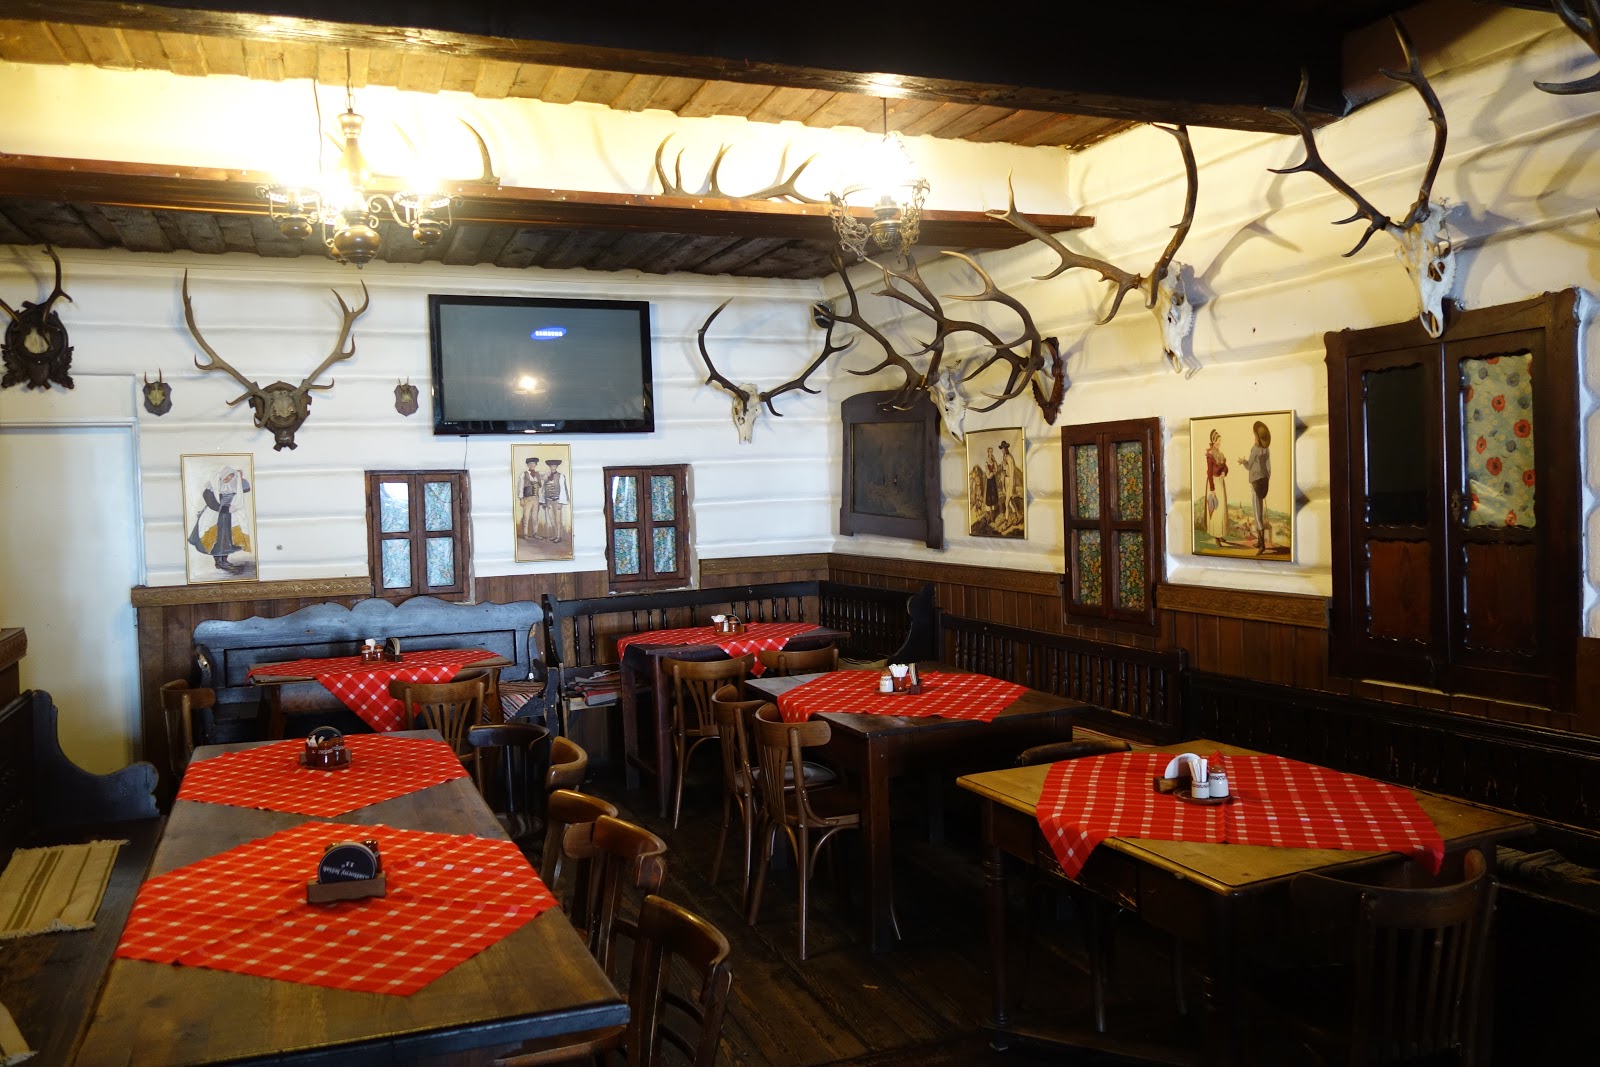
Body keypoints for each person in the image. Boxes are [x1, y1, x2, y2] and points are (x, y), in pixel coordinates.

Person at [187, 464, 253, 575]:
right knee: (217, 538)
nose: (228, 479)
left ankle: (224, 560)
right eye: (226, 477)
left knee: (228, 539)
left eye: (230, 477)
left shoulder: (234, 485)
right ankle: (219, 562)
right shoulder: (214, 485)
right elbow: (209, 499)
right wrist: (224, 509)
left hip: (229, 517)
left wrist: (240, 478)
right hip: (216, 515)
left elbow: (246, 488)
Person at [1239, 420, 1272, 555]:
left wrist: (1243, 462)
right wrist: (1265, 478)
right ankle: (1259, 541)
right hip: (1264, 481)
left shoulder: (1255, 449)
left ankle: (1262, 545)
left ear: (1257, 438)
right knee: (1260, 511)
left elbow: (1249, 466)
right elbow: (1269, 469)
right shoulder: (1266, 449)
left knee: (1257, 513)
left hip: (1255, 483)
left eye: (1255, 436)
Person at [1203, 429, 1231, 546]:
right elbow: (1210, 473)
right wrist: (1212, 490)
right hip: (1214, 483)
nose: (1219, 443)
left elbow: (1225, 467)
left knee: (1221, 510)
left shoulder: (1220, 454)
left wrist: (1224, 472)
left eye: (1220, 441)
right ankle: (1216, 537)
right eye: (1218, 441)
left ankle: (1220, 534)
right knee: (1216, 510)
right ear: (1213, 441)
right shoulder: (1210, 455)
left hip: (1220, 483)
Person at [543, 458, 569, 543]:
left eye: (554, 466)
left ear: (556, 466)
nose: (552, 467)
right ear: (549, 467)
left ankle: (558, 536)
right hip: (548, 501)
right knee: (552, 519)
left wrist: (561, 502)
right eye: (551, 466)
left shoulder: (561, 476)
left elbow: (563, 489)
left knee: (558, 520)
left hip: (557, 501)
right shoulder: (546, 476)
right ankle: (555, 535)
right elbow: (544, 489)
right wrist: (543, 501)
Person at [998, 440, 1023, 528]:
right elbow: (1003, 471)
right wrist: (1002, 483)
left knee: (1006, 502)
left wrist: (1012, 486)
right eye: (1001, 448)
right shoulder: (1004, 458)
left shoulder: (1010, 458)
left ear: (1006, 448)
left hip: (1010, 481)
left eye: (1003, 448)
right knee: (1010, 502)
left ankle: (1006, 522)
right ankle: (1016, 516)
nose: (1002, 450)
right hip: (1006, 481)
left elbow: (1012, 472)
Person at [517, 456, 543, 540]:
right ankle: (525, 534)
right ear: (528, 465)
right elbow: (520, 487)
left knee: (535, 517)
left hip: (536, 498)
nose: (532, 465)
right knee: (526, 516)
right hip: (527, 498)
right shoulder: (524, 474)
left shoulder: (538, 474)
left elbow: (547, 478)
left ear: (536, 465)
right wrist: (521, 499)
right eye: (530, 463)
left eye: (533, 463)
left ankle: (535, 533)